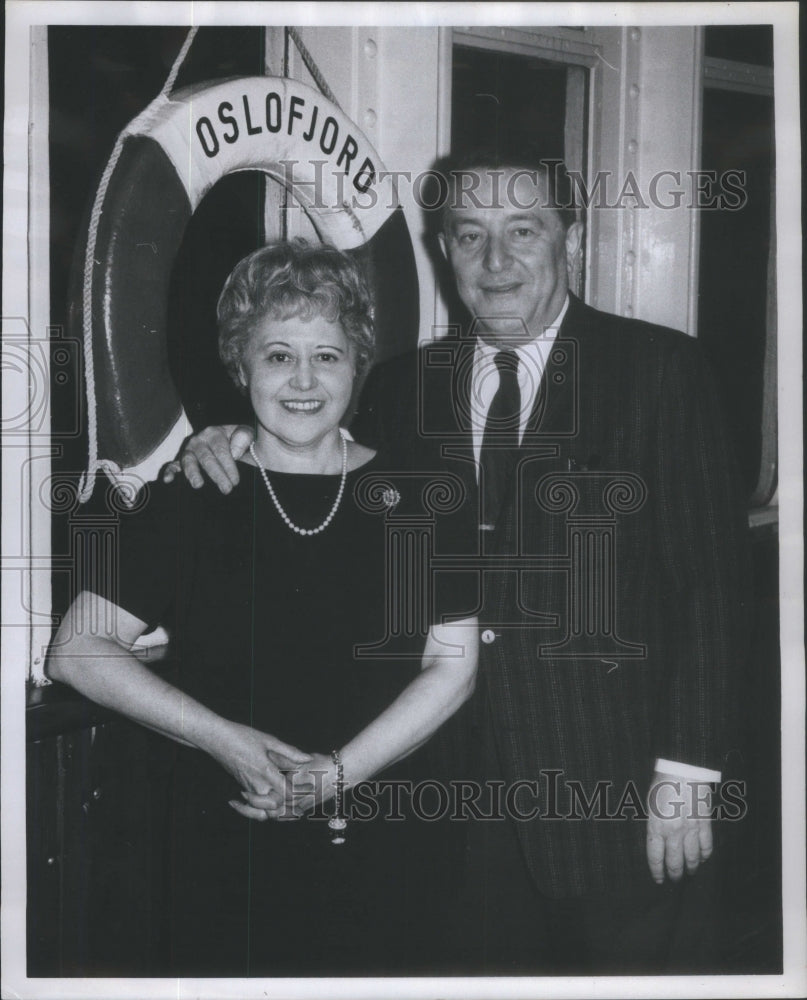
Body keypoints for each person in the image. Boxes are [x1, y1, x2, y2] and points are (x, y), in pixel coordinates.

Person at [167, 149, 749, 974]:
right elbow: (312, 449)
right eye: (468, 234)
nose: (495, 259)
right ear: (444, 251)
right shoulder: (404, 388)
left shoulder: (659, 370)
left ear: (568, 243)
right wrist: (219, 437)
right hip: (450, 809)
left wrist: (688, 770)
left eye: (523, 231)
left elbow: (713, 592)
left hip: (618, 794)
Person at [48, 239, 478, 976]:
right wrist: (225, 741)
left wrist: (336, 773)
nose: (303, 380)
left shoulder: (421, 494)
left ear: (358, 365)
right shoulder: (192, 493)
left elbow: (453, 665)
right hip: (225, 836)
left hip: (386, 828)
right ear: (240, 366)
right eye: (278, 356)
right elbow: (77, 652)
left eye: (328, 356)